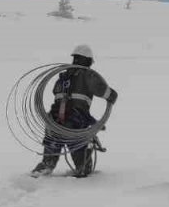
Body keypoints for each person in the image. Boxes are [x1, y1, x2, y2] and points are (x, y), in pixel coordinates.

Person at [31, 44, 119, 178]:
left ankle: (43, 169)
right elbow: (102, 90)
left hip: (54, 122)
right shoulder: (88, 75)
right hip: (75, 123)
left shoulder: (63, 76)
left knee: (50, 151)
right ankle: (82, 170)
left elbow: (56, 92)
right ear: (88, 60)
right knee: (81, 158)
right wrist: (112, 95)